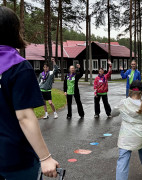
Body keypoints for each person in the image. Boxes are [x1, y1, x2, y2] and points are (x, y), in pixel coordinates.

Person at [0, 6, 59, 180]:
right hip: (14, 160)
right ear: (15, 31)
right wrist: (45, 158)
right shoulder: (19, 67)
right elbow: (24, 116)